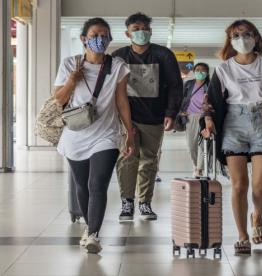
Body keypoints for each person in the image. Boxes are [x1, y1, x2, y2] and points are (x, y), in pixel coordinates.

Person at [201, 20, 262, 255]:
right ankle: (243, 235)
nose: (241, 39)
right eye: (236, 35)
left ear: (255, 37)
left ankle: (257, 217)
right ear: (230, 40)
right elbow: (211, 100)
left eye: (246, 34)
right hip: (234, 123)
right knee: (239, 184)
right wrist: (209, 120)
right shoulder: (224, 68)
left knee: (260, 185)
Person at [54, 17, 134, 254]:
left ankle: (94, 235)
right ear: (83, 39)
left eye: (104, 35)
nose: (100, 39)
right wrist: (71, 80)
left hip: (106, 135)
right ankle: (90, 228)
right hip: (75, 134)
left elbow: (121, 101)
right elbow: (58, 99)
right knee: (82, 185)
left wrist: (129, 132)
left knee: (97, 183)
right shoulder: (70, 64)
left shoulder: (118, 66)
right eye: (95, 35)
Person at [113, 12, 183, 222]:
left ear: (150, 32)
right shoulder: (119, 56)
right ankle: (127, 202)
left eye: (144, 29)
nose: (141, 33)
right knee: (127, 159)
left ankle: (144, 202)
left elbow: (175, 86)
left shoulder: (163, 55)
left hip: (154, 117)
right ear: (128, 33)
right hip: (126, 118)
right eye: (136, 30)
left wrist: (171, 113)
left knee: (149, 162)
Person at [178, 63, 210, 177]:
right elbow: (180, 98)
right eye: (197, 69)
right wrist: (180, 111)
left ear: (207, 73)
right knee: (191, 146)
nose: (200, 72)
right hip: (190, 116)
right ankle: (196, 165)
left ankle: (200, 169)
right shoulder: (188, 84)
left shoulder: (210, 86)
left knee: (201, 144)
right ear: (194, 71)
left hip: (204, 117)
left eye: (203, 70)